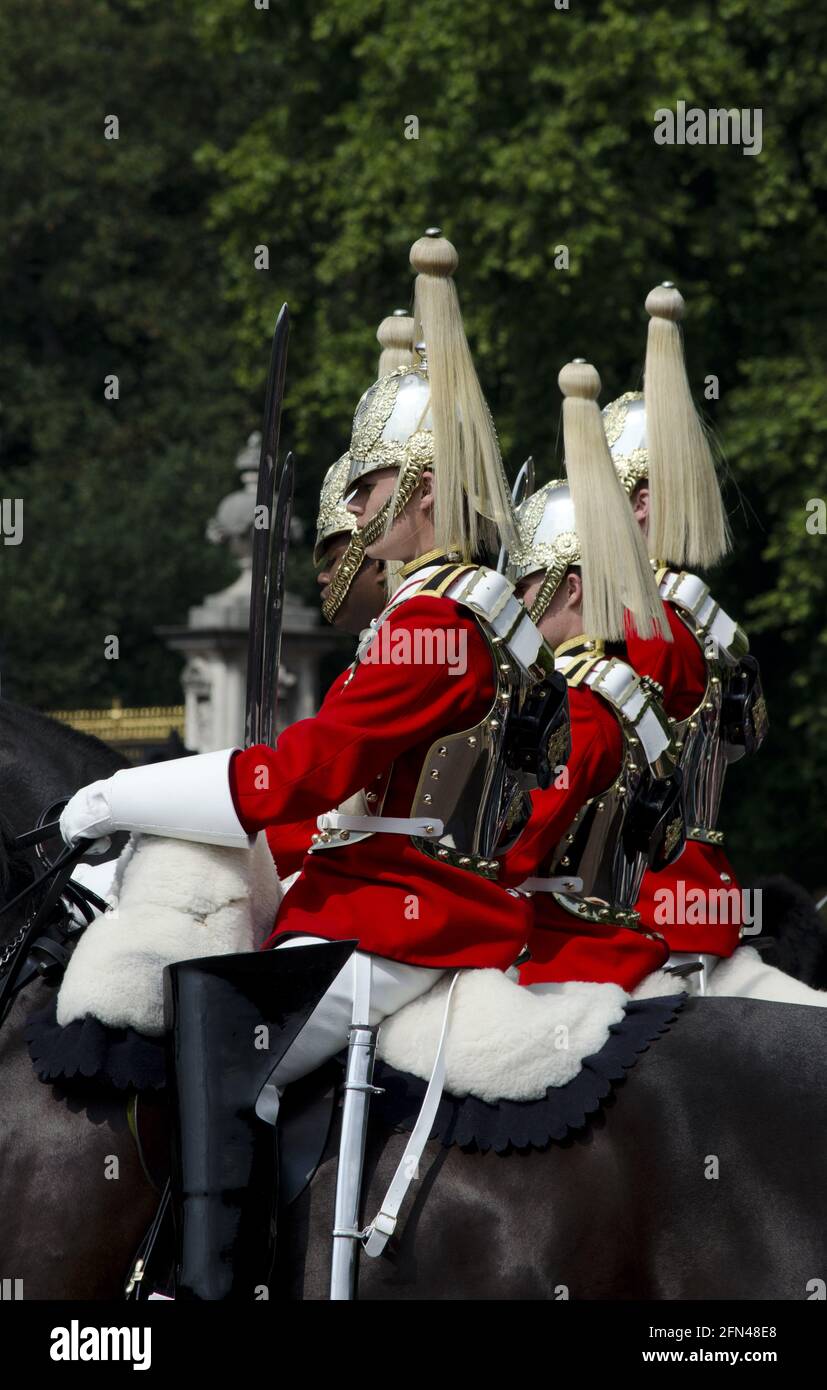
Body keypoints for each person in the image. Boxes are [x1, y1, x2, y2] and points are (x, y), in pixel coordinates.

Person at [58, 229, 557, 1299]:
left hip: (400, 914)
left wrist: (119, 790)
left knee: (216, 1032)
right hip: (404, 892)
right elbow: (335, 803)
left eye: (372, 477)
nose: (355, 497)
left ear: (421, 488)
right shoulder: (463, 616)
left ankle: (210, 1290)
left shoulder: (441, 628)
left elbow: (296, 780)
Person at [603, 283, 768, 988]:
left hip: (631, 902)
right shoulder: (700, 613)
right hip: (703, 893)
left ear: (639, 503)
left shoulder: (636, 620)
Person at [501, 359, 684, 994]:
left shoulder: (579, 702)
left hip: (562, 960)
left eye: (525, 592)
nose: (515, 612)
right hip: (610, 944)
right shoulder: (617, 687)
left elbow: (517, 850)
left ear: (569, 588)